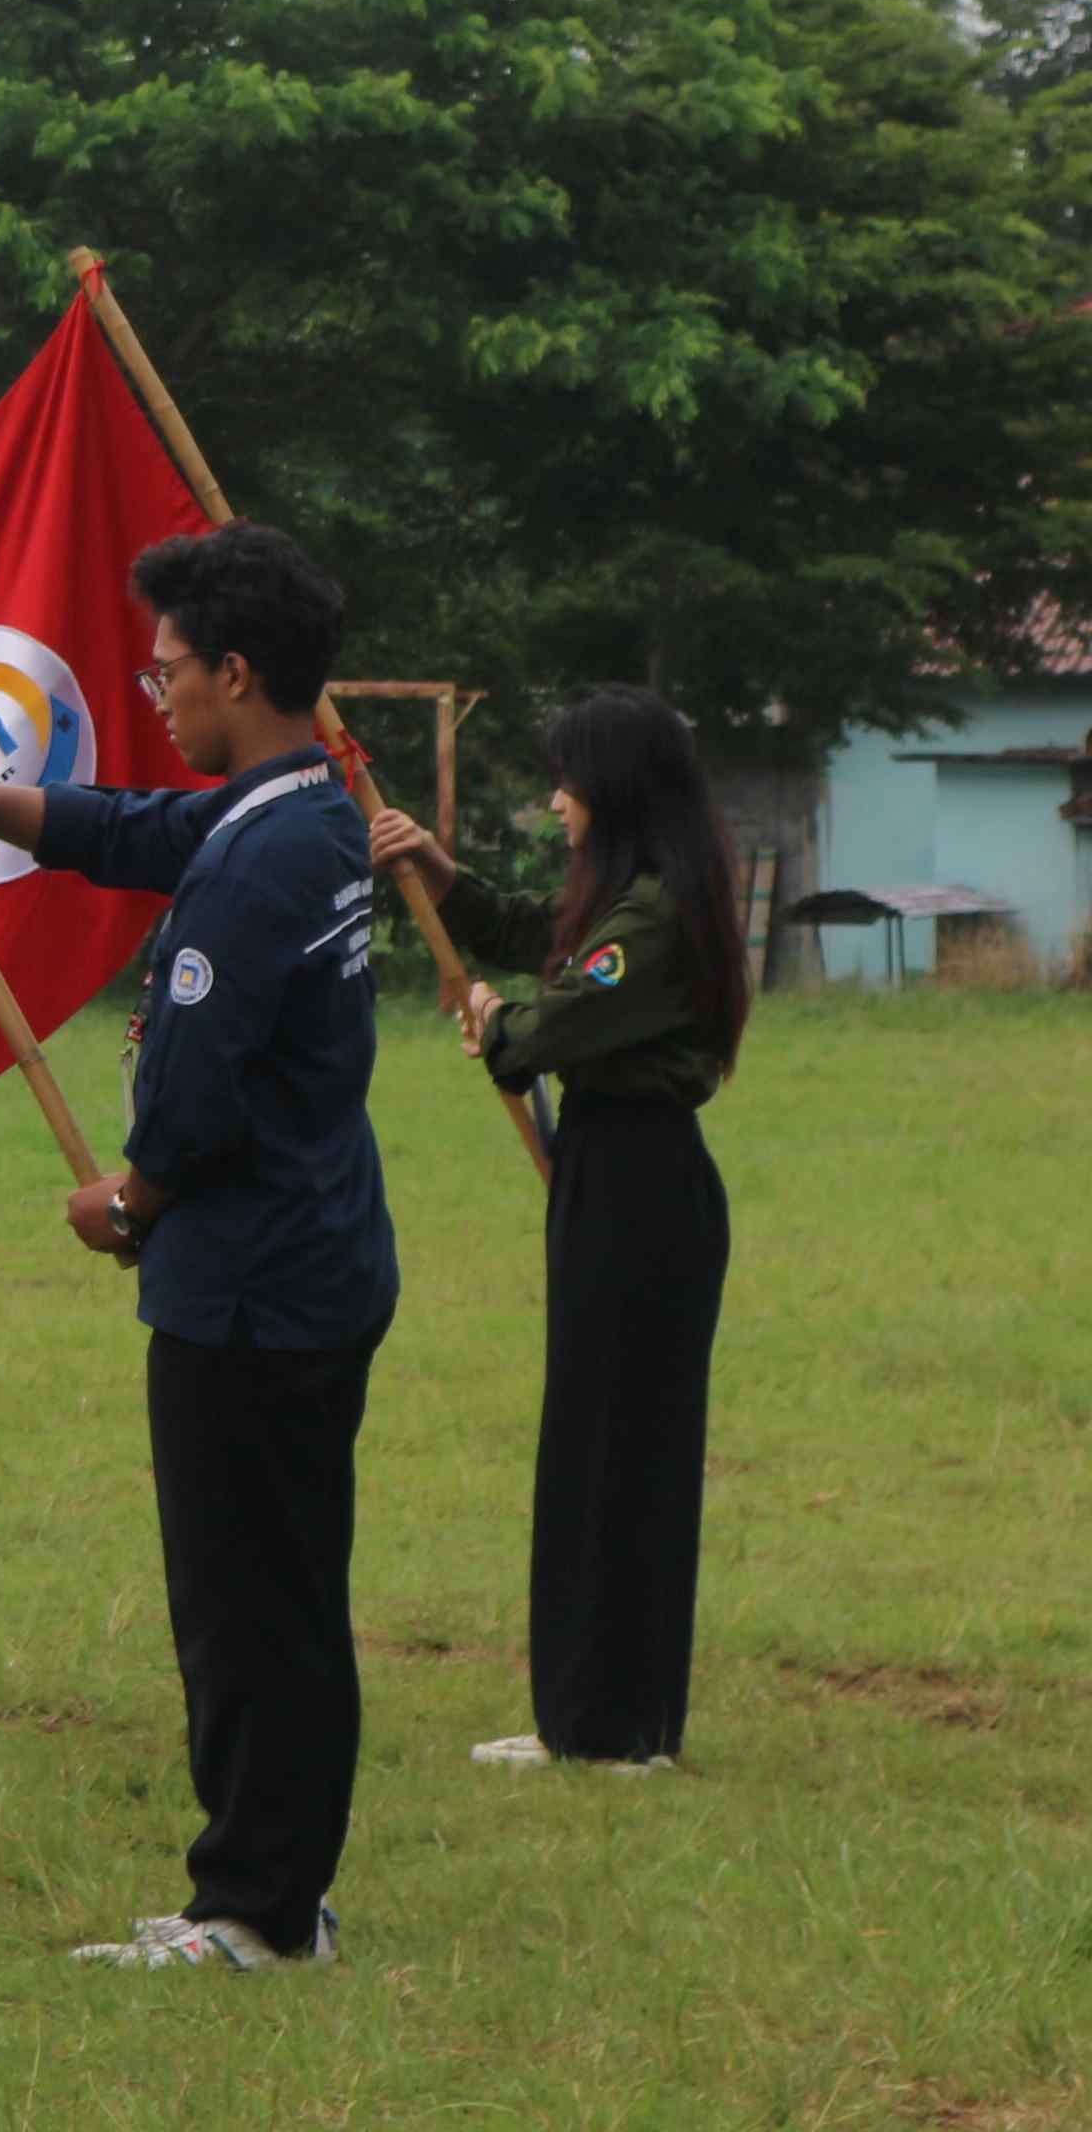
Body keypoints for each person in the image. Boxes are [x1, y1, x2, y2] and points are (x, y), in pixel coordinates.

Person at [0, 520, 393, 1976]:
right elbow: (127, 825)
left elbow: (191, 1098)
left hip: (251, 1290)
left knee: (247, 1609)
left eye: (170, 670)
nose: (155, 691)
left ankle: (253, 1912)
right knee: (287, 1589)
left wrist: (131, 1203)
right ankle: (282, 1883)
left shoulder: (259, 866)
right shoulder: (304, 810)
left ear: (237, 673)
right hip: (314, 1262)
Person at [373, 684, 747, 1773]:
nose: (556, 797)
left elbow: (554, 1020)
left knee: (630, 1447)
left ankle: (627, 1729)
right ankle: (580, 1716)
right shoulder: (633, 895)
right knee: (586, 1441)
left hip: (643, 1180)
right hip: (606, 1170)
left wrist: (496, 1016)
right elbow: (552, 936)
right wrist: (448, 885)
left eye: (569, 781)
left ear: (614, 792)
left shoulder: (658, 913)